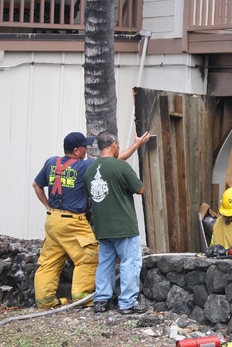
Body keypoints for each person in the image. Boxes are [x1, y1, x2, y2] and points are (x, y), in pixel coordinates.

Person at [32, 131, 150, 309]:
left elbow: (36, 185)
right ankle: (84, 298)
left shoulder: (51, 162)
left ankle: (45, 301)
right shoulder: (84, 166)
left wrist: (48, 206)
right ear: (76, 150)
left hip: (52, 220)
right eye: (84, 147)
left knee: (49, 261)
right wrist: (136, 145)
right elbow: (112, 161)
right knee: (89, 257)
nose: (86, 150)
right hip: (72, 221)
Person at [83, 132, 150, 314]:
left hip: (102, 227)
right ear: (114, 145)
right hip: (124, 225)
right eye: (118, 145)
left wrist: (136, 145)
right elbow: (140, 189)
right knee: (130, 262)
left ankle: (101, 300)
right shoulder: (121, 167)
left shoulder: (90, 169)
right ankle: (127, 302)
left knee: (105, 263)